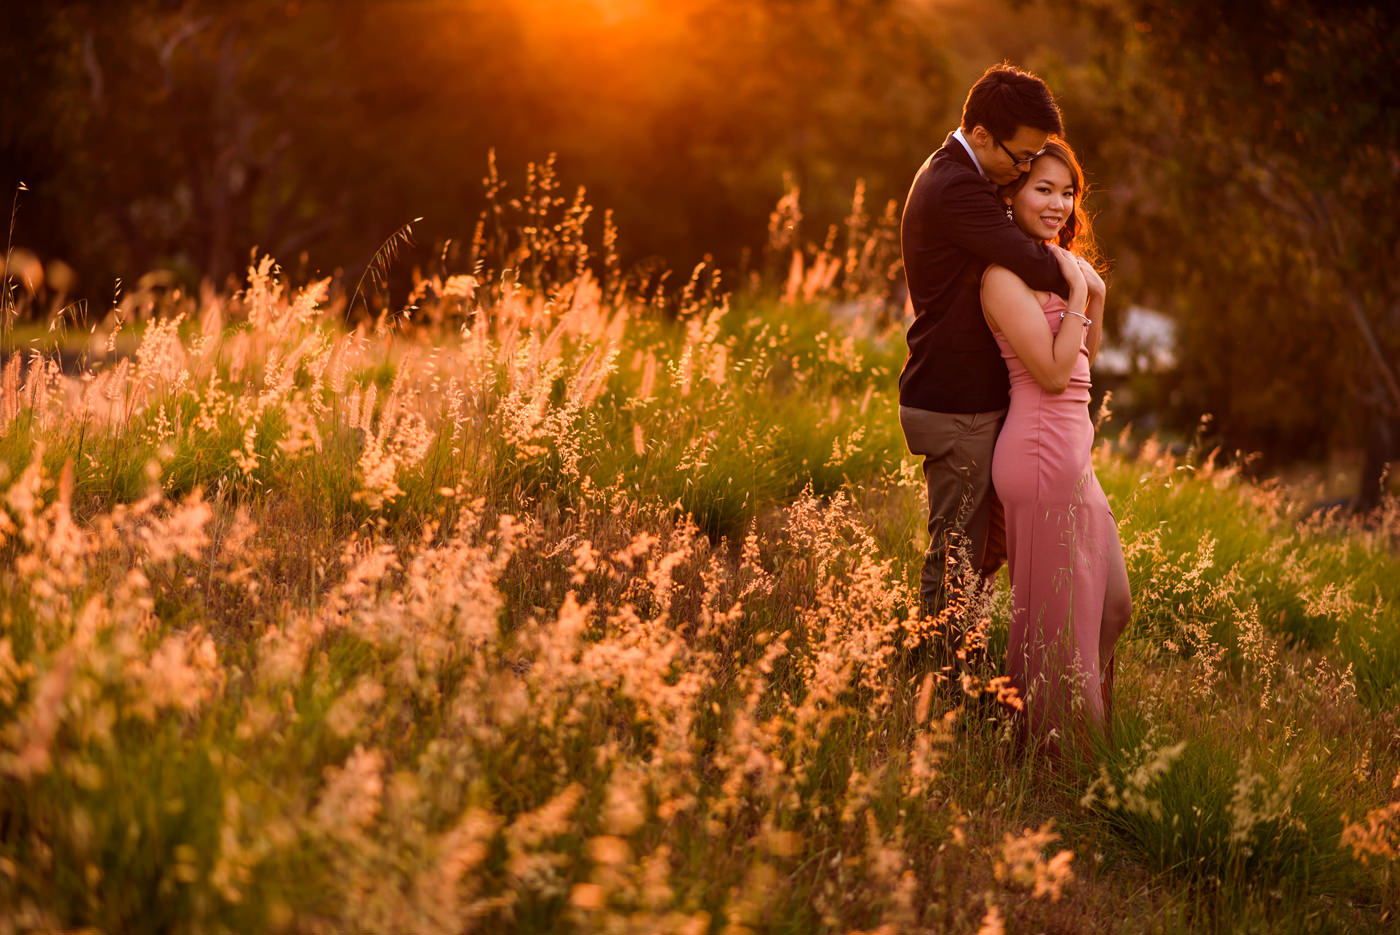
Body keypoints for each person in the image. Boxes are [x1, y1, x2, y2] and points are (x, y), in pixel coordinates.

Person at [898, 64, 1070, 660]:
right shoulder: (955, 187)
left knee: (974, 550)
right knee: (957, 555)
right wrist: (1080, 274)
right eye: (1020, 159)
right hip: (955, 403)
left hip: (962, 400)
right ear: (979, 131)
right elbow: (1033, 262)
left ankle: (950, 676)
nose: (1023, 171)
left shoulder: (964, 177)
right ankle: (935, 690)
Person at [980, 138, 1131, 750]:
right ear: (1011, 193)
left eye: (1067, 193)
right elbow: (1048, 372)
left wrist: (1092, 296)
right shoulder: (1000, 276)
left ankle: (1087, 726)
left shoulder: (1058, 267)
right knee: (1056, 624)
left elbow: (1083, 364)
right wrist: (1076, 295)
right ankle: (1056, 756)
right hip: (1039, 452)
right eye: (1043, 188)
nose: (1059, 204)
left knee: (1113, 607)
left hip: (1073, 452)